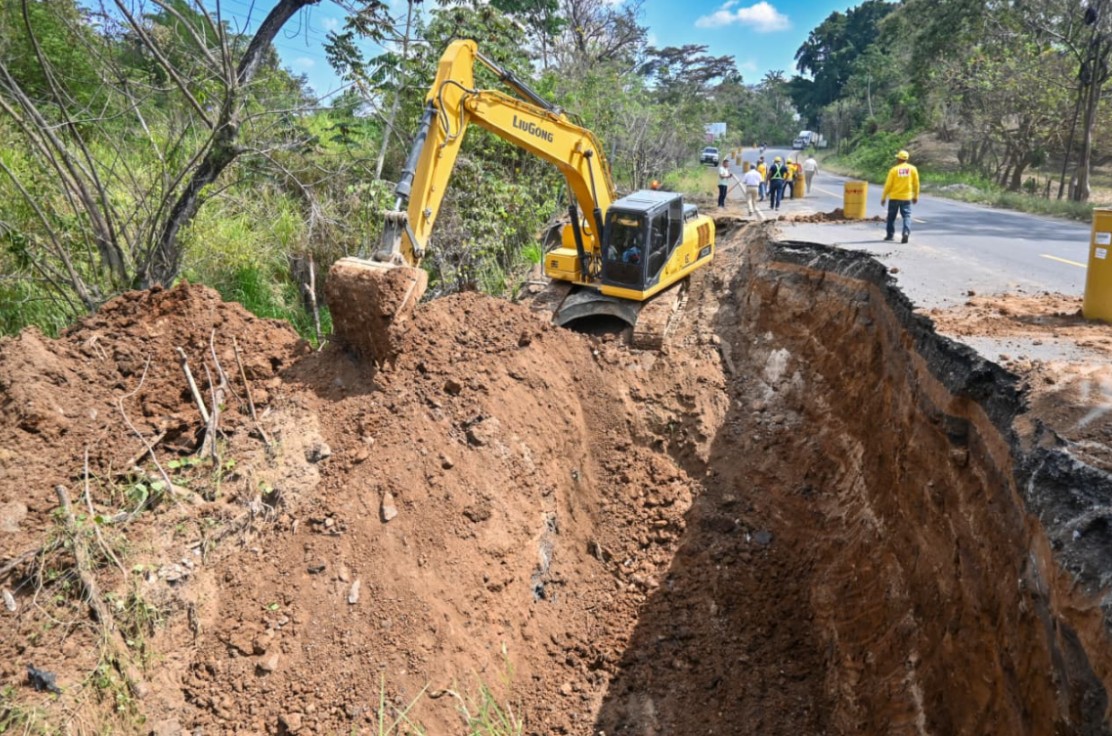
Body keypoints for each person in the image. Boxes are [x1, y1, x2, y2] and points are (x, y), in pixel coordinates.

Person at [880, 149, 920, 243]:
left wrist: (883, 197)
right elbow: (916, 184)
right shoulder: (913, 169)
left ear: (898, 159)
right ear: (907, 159)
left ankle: (890, 235)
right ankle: (906, 232)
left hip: (894, 197)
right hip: (906, 198)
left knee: (891, 217)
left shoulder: (894, 170)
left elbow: (888, 185)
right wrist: (916, 196)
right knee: (907, 216)